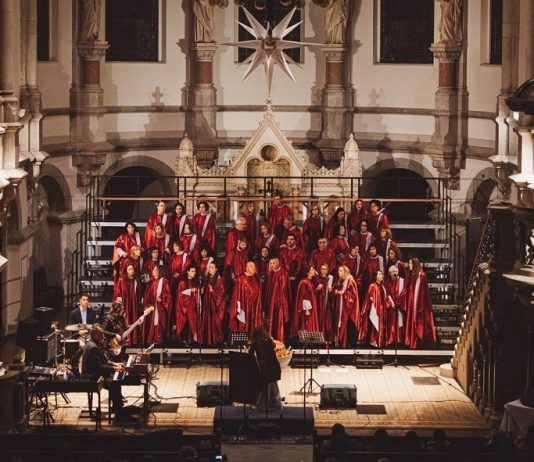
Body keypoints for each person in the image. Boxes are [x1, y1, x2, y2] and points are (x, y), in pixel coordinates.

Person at [80, 325, 129, 421]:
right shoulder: (93, 347)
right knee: (114, 382)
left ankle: (117, 408)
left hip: (95, 373)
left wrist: (115, 363)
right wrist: (115, 368)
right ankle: (119, 412)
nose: (103, 336)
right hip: (91, 377)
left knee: (115, 379)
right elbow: (99, 368)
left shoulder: (93, 343)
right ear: (94, 334)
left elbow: (104, 361)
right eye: (101, 334)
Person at [404, 258, 437, 349]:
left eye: (410, 263)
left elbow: (424, 290)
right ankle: (411, 340)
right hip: (412, 302)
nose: (409, 265)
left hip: (419, 303)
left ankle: (418, 341)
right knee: (412, 320)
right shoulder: (411, 274)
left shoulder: (421, 275)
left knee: (419, 322)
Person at [249, 325, 283, 412]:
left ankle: (262, 404)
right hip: (273, 366)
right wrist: (269, 338)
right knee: (273, 385)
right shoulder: (268, 341)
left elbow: (250, 355)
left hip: (264, 368)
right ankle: (274, 403)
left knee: (262, 386)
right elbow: (274, 346)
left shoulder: (254, 343)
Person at [358, 270, 393, 347]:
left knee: (381, 325)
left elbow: (386, 297)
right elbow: (369, 297)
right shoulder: (372, 285)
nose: (381, 275)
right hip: (374, 309)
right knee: (374, 325)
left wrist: (390, 303)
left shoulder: (383, 286)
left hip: (382, 310)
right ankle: (373, 341)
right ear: (376, 276)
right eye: (379, 274)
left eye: (382, 274)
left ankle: (380, 341)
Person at [229, 261, 263, 336]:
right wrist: (238, 307)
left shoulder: (258, 279)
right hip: (244, 305)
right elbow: (236, 295)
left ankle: (254, 339)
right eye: (251, 266)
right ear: (246, 268)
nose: (253, 268)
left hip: (255, 306)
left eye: (254, 266)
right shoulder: (240, 279)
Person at [112, 263, 142, 345]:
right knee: (125, 321)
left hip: (134, 305)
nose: (131, 271)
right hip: (125, 304)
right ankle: (127, 340)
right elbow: (118, 293)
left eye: (132, 269)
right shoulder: (121, 280)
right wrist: (120, 306)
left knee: (134, 320)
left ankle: (134, 340)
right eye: (129, 269)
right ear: (126, 270)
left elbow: (139, 293)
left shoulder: (136, 280)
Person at [264, 256, 291, 342]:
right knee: (271, 321)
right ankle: (271, 341)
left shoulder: (284, 273)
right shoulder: (269, 274)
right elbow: (267, 290)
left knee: (280, 321)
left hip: (281, 303)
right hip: (271, 302)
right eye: (271, 263)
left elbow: (285, 290)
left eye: (273, 263)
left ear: (278, 263)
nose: (272, 265)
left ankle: (281, 341)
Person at [143, 265, 171, 344]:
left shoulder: (164, 281)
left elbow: (167, 294)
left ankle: (159, 339)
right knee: (151, 321)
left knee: (159, 322)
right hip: (152, 305)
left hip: (160, 306)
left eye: (156, 270)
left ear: (160, 271)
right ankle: (152, 338)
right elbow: (147, 294)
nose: (153, 271)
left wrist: (162, 299)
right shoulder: (151, 281)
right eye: (153, 269)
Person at [333, 265, 359, 347]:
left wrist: (343, 294)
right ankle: (342, 341)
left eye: (340, 271)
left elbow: (353, 295)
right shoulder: (341, 280)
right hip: (342, 306)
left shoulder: (350, 280)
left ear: (345, 272)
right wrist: (336, 291)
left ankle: (349, 343)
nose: (338, 272)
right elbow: (337, 288)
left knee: (348, 323)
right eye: (338, 271)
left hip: (349, 308)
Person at [200, 261, 225, 345]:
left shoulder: (219, 280)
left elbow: (221, 294)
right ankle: (207, 339)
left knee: (215, 321)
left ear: (216, 269)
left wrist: (212, 291)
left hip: (215, 306)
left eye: (212, 267)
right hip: (207, 304)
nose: (210, 269)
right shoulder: (206, 278)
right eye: (209, 267)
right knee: (207, 320)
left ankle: (215, 339)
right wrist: (203, 289)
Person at [292, 266, 320, 337]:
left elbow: (310, 294)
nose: (314, 271)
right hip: (308, 308)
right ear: (308, 272)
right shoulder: (304, 282)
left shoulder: (309, 281)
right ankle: (307, 341)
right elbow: (303, 296)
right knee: (307, 323)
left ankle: (311, 340)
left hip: (312, 307)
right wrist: (307, 309)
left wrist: (317, 289)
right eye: (312, 269)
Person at [176, 266, 200, 344]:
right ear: (188, 272)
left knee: (193, 321)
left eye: (195, 271)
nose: (194, 273)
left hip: (193, 305)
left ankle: (192, 339)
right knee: (187, 322)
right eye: (192, 271)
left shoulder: (195, 282)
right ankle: (185, 340)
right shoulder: (183, 282)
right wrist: (190, 290)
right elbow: (180, 294)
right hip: (185, 306)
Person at [385, 265, 406, 346]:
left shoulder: (402, 281)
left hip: (399, 305)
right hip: (391, 306)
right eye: (392, 272)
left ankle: (399, 340)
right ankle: (391, 339)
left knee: (400, 322)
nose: (394, 273)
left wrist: (398, 302)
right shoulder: (387, 282)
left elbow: (404, 292)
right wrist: (391, 303)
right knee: (391, 323)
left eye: (395, 272)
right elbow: (386, 293)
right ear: (390, 273)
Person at [315, 263, 335, 343]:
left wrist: (331, 291)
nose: (324, 271)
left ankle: (328, 338)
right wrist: (317, 289)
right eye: (322, 269)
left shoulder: (330, 278)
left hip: (327, 303)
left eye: (325, 269)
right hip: (319, 303)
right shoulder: (317, 279)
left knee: (328, 321)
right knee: (319, 320)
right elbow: (313, 291)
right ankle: (319, 338)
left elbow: (332, 290)